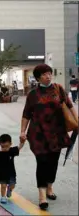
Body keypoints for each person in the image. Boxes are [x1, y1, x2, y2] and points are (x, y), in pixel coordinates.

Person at [20, 64, 78, 210]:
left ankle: (50, 187)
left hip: (56, 133)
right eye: (45, 74)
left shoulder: (58, 89)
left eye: (49, 73)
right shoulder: (33, 94)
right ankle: (42, 195)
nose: (48, 76)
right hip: (38, 135)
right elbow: (26, 114)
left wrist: (77, 121)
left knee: (53, 162)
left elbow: (70, 105)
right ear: (38, 77)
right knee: (42, 162)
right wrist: (22, 131)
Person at [0, 134, 24, 204]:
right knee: (3, 185)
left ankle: (9, 190)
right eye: (2, 146)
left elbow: (19, 147)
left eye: (6, 146)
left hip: (11, 172)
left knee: (12, 185)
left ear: (10, 144)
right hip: (1, 172)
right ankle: (3, 197)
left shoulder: (12, 151)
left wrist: (22, 142)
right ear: (0, 144)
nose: (4, 148)